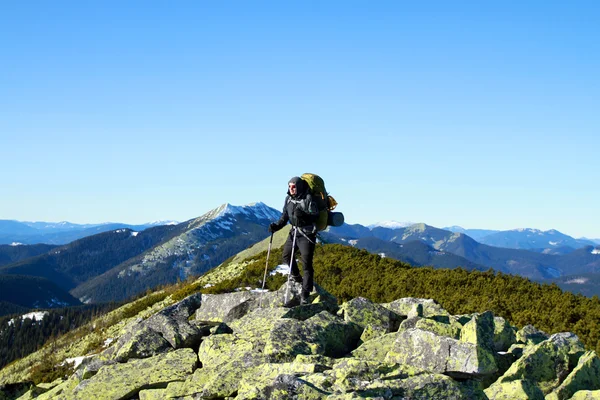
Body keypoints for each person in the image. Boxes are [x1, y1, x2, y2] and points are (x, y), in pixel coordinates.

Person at [269, 176, 319, 305]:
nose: (291, 189)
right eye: (289, 186)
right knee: (286, 256)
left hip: (307, 234)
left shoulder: (308, 198)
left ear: (300, 186)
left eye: (294, 186)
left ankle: (305, 294)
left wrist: (303, 215)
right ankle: (298, 278)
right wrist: (276, 226)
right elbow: (285, 216)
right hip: (294, 232)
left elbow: (315, 215)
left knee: (306, 264)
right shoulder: (288, 199)